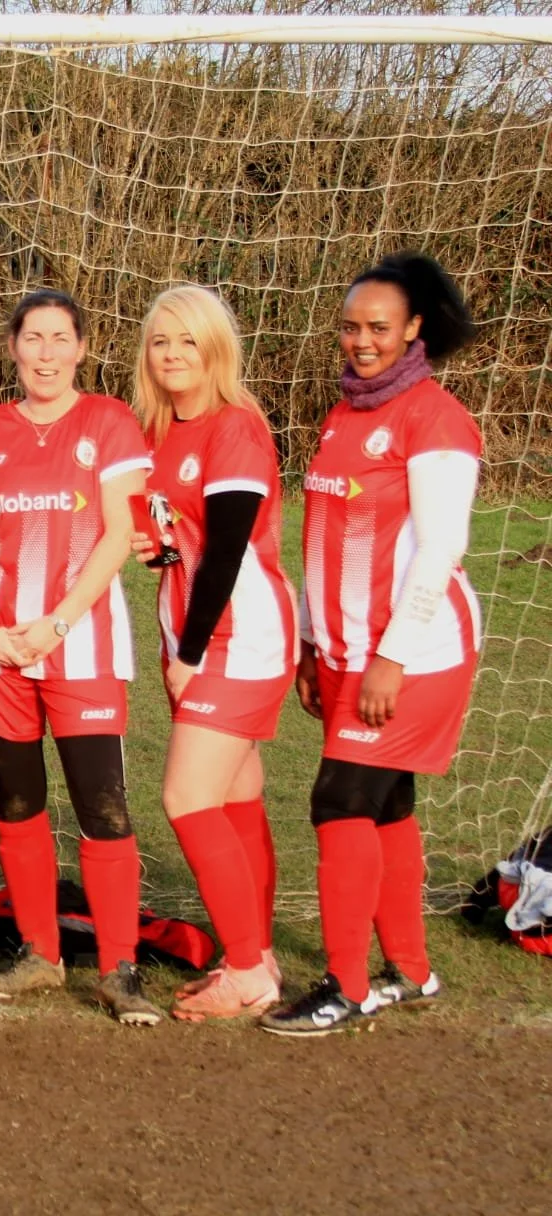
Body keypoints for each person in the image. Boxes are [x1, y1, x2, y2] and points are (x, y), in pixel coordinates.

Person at [262, 253, 481, 1036]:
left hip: (416, 653)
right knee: (385, 804)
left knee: (339, 800)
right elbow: (327, 539)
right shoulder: (344, 412)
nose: (361, 341)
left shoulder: (436, 419)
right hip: (349, 651)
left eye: (379, 328)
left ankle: (345, 986)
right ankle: (413, 972)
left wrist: (392, 654)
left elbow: (440, 546)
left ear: (415, 328)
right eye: (351, 327)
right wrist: (317, 646)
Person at [0, 290, 158, 1025]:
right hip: (3, 654)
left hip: (81, 648)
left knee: (102, 807)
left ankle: (118, 969)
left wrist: (59, 623)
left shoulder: (108, 421)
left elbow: (117, 536)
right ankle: (39, 955)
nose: (44, 353)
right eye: (31, 339)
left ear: (81, 348)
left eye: (58, 339)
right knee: (17, 802)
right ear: (12, 347)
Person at [130, 285, 296, 1021]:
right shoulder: (163, 431)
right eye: (161, 341)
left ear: (215, 349)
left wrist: (192, 649)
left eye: (187, 341)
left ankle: (246, 970)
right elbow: (185, 540)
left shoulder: (236, 428)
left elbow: (228, 550)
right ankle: (256, 954)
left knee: (185, 798)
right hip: (192, 631)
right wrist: (157, 550)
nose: (172, 354)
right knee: (234, 797)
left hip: (239, 635)